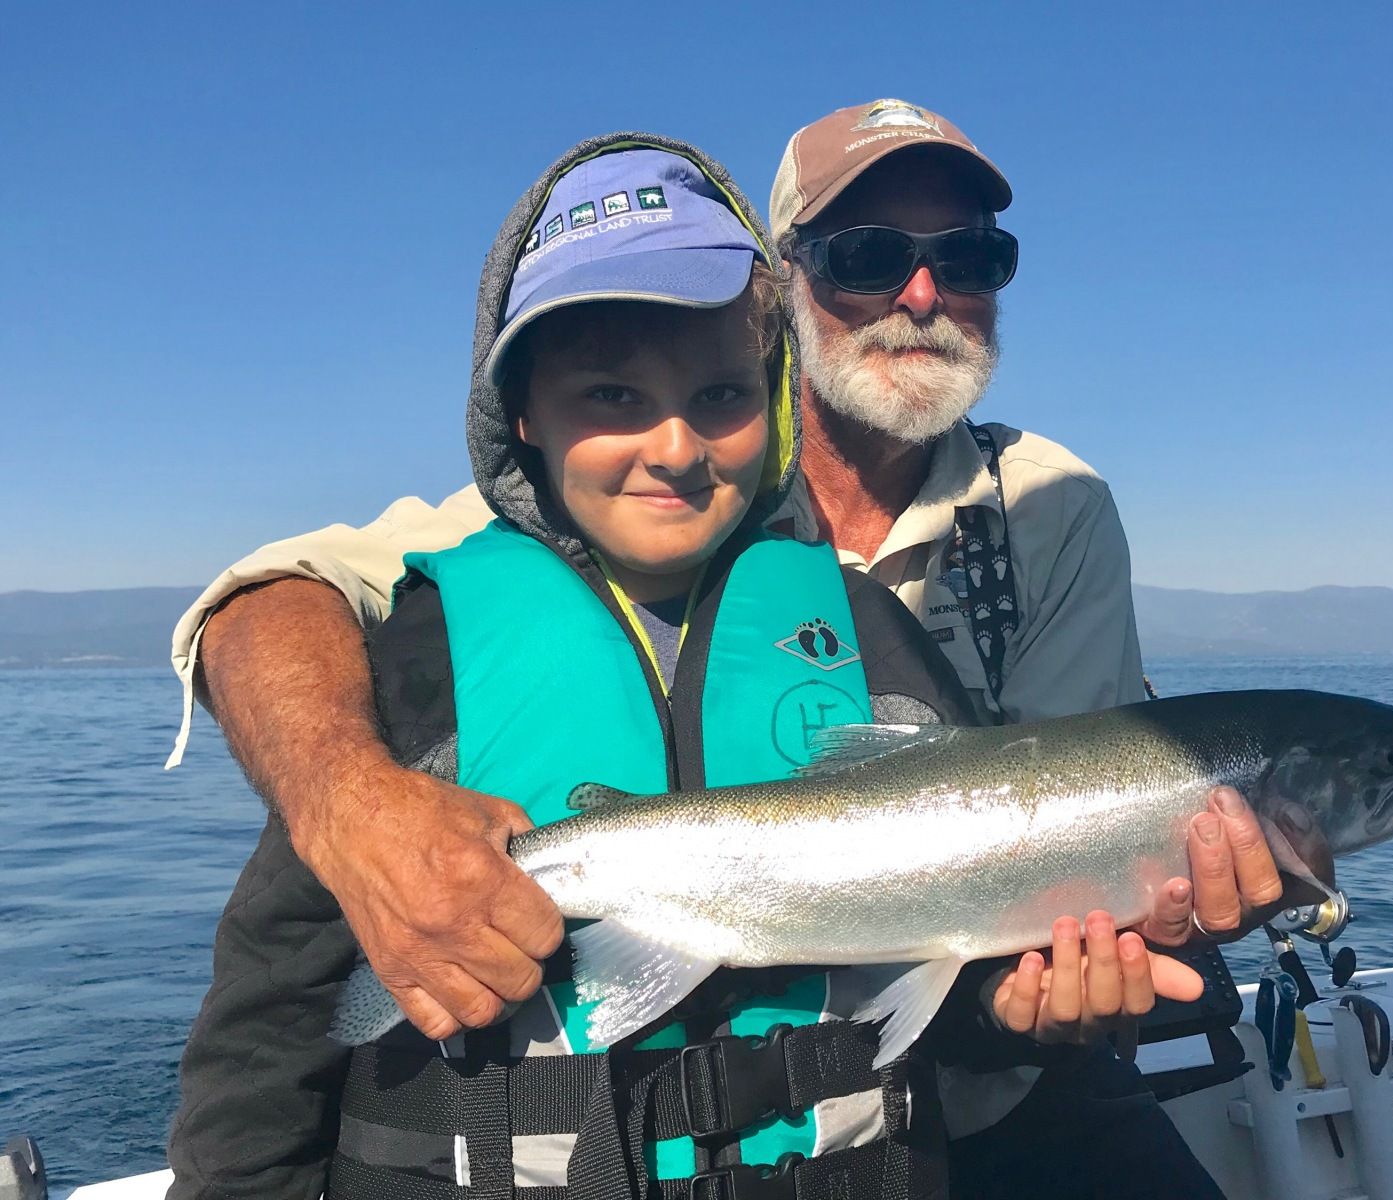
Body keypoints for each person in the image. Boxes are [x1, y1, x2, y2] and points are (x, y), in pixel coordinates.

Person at [167, 132, 1208, 1200]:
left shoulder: (1006, 531)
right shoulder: (423, 639)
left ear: (770, 394)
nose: (672, 445)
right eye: (611, 398)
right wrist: (346, 801)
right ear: (520, 417)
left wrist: (1021, 1009)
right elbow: (270, 1009)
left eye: (719, 398)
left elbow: (962, 975)